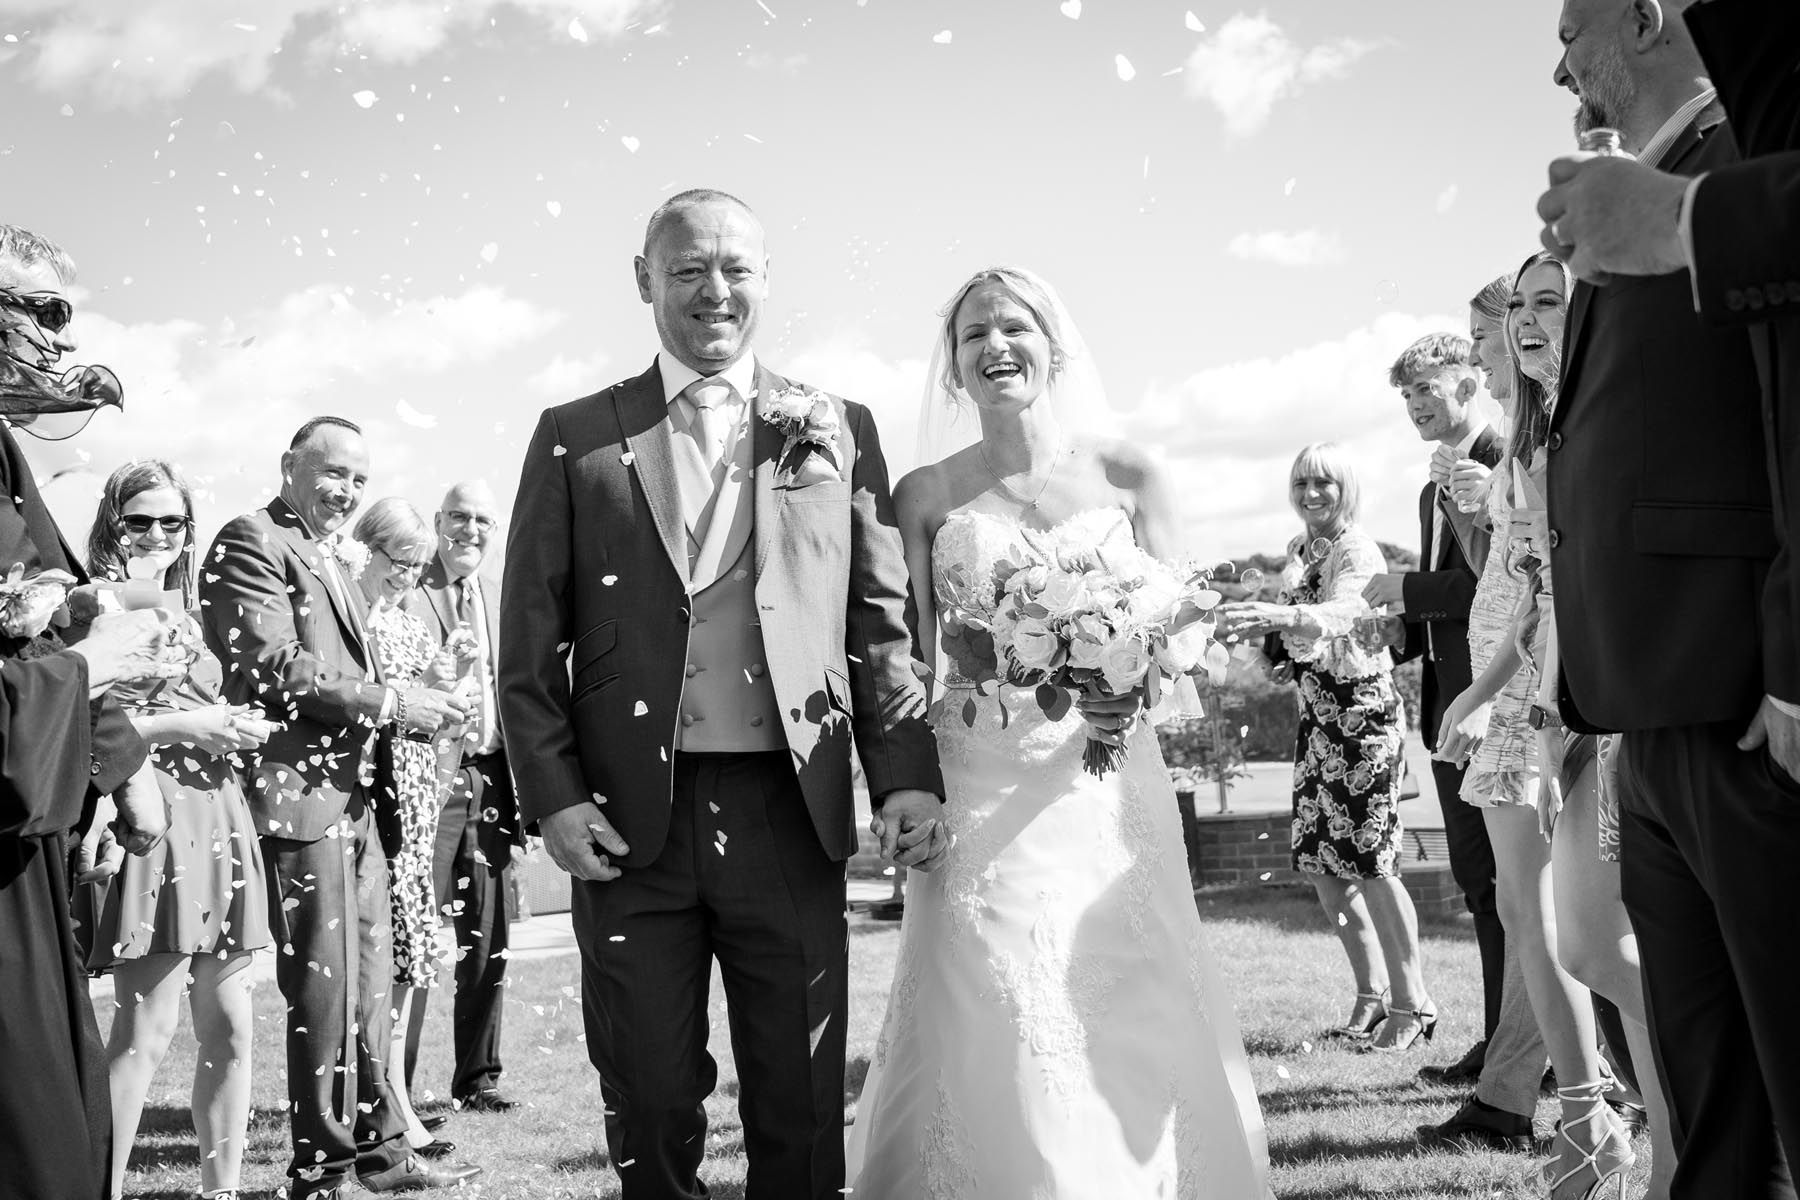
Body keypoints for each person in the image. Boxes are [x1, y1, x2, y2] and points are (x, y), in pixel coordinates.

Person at [500, 188, 946, 1200]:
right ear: (645, 279)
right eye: (689, 267)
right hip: (627, 821)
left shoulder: (839, 427)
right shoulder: (575, 435)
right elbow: (528, 638)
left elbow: (877, 621)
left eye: (736, 267)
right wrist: (555, 796)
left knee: (797, 1096)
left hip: (790, 813)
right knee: (650, 1097)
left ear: (766, 280)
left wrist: (906, 777)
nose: (715, 289)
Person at [848, 265, 1272, 1198]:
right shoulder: (923, 494)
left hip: (1110, 779)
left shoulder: (1131, 473)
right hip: (980, 782)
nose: (996, 347)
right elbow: (910, 658)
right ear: (952, 368)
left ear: (1055, 343)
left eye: (1015, 327)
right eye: (973, 336)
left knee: (1127, 987)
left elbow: (1186, 627)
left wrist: (1137, 682)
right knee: (997, 995)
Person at [1544, 1, 1796, 1192]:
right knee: (1708, 1108)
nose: (1559, 65)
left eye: (1571, 29)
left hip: (1744, 709)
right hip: (1646, 721)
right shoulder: (1632, 184)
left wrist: (1789, 672)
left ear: (1645, 17)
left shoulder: (1743, 159)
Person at [199, 418, 479, 1199]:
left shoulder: (330, 551)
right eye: (334, 473)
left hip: (357, 802)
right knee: (321, 992)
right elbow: (273, 667)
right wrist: (395, 702)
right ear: (289, 464)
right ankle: (320, 1168)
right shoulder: (249, 540)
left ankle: (384, 1158)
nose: (348, 490)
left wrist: (419, 698)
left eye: (360, 478)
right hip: (300, 800)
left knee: (371, 982)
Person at [1437, 252, 1635, 1199]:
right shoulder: (1525, 433)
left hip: (1577, 695)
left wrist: (1553, 712)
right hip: (1518, 688)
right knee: (1529, 916)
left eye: (1547, 302)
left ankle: (1656, 1094)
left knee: (1583, 932)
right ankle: (1592, 1123)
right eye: (1515, 305)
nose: (1523, 319)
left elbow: (1571, 587)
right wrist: (1478, 697)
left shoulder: (1593, 423)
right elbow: (1523, 596)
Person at [0, 223, 173, 1200]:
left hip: (35, 856)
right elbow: (58, 656)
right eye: (40, 311)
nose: (62, 341)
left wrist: (120, 760)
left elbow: (44, 612)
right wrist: (89, 673)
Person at [83, 460, 275, 1200]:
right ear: (113, 524)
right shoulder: (94, 606)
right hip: (151, 818)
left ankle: (221, 1191)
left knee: (231, 1029)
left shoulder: (186, 607)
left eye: (172, 521)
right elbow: (84, 723)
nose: (157, 533)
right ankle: (96, 1188)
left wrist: (228, 727)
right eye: (140, 519)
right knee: (144, 1035)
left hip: (218, 817)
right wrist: (190, 723)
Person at [1217, 444, 1434, 1055]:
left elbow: (1343, 612)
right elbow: (1296, 635)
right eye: (1303, 483)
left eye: (1325, 484)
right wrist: (1276, 650)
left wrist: (1280, 615)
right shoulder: (1296, 551)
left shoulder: (1357, 550)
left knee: (1373, 863)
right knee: (1324, 871)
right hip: (1316, 719)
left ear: (1347, 489)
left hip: (1361, 719)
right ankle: (1369, 997)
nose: (1312, 494)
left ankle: (1412, 1003)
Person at [1362, 326, 1520, 1087]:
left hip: (1501, 702)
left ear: (1469, 382)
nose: (1416, 404)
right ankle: (1505, 1043)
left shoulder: (1505, 461)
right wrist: (1395, 627)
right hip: (1446, 706)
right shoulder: (1432, 486)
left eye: (1428, 387)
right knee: (1480, 886)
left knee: (1512, 890)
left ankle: (1526, 1051)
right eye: (1406, 395)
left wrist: (1408, 589)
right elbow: (1444, 600)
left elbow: (1504, 585)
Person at [351, 496, 464, 1160]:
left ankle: (398, 1097)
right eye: (402, 561)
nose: (411, 577)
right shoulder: (348, 622)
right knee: (381, 962)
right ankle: (383, 1106)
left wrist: (446, 700)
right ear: (368, 548)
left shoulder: (407, 621)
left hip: (418, 797)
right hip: (377, 800)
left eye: (422, 566)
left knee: (408, 965)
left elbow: (426, 710)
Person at [408, 479, 524, 1117]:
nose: (470, 530)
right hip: (429, 781)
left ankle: (477, 1078)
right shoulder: (408, 588)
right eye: (458, 516)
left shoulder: (503, 595)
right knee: (419, 936)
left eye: (482, 519)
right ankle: (394, 1086)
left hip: (493, 780)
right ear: (437, 519)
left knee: (488, 934)